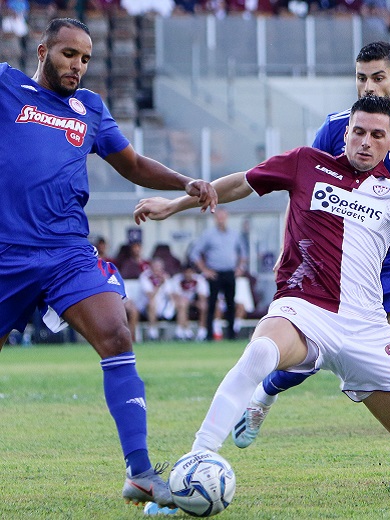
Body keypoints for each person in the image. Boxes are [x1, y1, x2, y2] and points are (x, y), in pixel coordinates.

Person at [134, 95, 390, 497]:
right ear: (346, 132)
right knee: (260, 352)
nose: (365, 141)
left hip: (365, 327)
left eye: (377, 135)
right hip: (304, 309)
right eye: (358, 131)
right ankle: (196, 461)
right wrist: (174, 204)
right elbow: (241, 182)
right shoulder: (306, 163)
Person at [0, 17, 217, 509]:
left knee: (116, 334)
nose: (77, 65)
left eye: (85, 58)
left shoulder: (90, 109)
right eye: (68, 54)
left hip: (67, 251)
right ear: (42, 51)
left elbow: (133, 165)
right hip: (7, 252)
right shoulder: (7, 87)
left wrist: (184, 182)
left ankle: (140, 473)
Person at [231, 40, 390, 450]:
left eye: (378, 77)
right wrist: (289, 252)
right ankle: (265, 393)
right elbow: (304, 189)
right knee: (310, 353)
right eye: (361, 78)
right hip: (336, 259)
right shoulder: (337, 127)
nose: (369, 87)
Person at [189, 207, 248, 341]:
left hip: (230, 272)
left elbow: (243, 253)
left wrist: (240, 268)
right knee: (212, 304)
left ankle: (231, 335)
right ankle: (209, 335)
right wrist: (205, 270)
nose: (221, 219)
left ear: (227, 217)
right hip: (214, 274)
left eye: (223, 217)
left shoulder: (234, 234)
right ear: (215, 218)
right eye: (218, 217)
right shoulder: (208, 235)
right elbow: (195, 253)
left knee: (230, 304)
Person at [136, 257, 175, 340]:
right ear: (151, 267)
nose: (157, 271)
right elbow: (150, 296)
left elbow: (171, 294)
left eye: (159, 268)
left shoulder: (165, 276)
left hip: (163, 305)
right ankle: (152, 331)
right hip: (145, 306)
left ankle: (182, 331)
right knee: (152, 303)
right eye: (155, 267)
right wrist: (159, 284)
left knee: (182, 302)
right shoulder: (145, 276)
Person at [170, 263, 209, 341]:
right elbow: (176, 297)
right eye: (186, 272)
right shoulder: (177, 279)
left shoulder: (199, 280)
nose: (188, 274)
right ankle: (184, 331)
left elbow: (203, 297)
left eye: (190, 272)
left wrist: (195, 302)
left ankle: (202, 331)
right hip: (181, 303)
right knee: (182, 304)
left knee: (203, 305)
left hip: (194, 302)